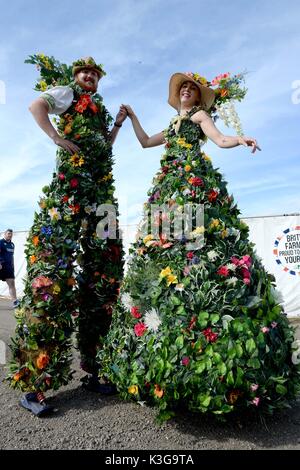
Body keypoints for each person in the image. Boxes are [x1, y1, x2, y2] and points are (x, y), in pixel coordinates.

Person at [98, 71, 300, 419]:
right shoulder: (173, 123)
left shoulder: (199, 117)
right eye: (183, 88)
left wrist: (241, 139)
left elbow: (219, 141)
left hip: (194, 190)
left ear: (198, 96)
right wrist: (131, 118)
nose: (187, 91)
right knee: (167, 253)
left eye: (191, 88)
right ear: (177, 95)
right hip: (169, 189)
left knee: (196, 252)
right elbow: (146, 142)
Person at [7, 56, 127, 416]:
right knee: (50, 280)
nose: (89, 77)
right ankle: (32, 385)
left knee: (103, 278)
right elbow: (35, 104)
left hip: (100, 198)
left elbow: (104, 146)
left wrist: (118, 125)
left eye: (94, 74)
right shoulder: (68, 94)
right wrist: (56, 137)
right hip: (68, 196)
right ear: (76, 76)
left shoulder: (100, 108)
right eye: (84, 72)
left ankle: (94, 368)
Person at [0, 229, 19, 308]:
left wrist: (13, 266)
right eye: (8, 234)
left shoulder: (12, 245)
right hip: (1, 266)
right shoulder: (0, 242)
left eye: (11, 234)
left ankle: (15, 301)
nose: (10, 235)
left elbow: (12, 256)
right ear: (5, 234)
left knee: (11, 283)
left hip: (8, 267)